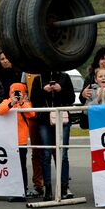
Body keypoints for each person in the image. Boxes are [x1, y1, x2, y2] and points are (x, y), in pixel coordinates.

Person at [30, 71, 76, 201]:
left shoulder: (65, 77)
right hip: (44, 120)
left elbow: (71, 98)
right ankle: (48, 189)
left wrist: (60, 89)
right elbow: (34, 101)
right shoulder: (38, 79)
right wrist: (43, 90)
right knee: (46, 153)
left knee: (63, 153)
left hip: (63, 118)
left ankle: (64, 187)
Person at [0, 82, 36, 201]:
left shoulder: (26, 103)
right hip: (9, 141)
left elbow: (32, 113)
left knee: (21, 167)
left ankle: (22, 190)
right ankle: (12, 189)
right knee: (11, 167)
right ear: (10, 92)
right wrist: (12, 102)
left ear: (23, 93)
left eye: (19, 92)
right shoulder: (6, 102)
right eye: (14, 92)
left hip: (21, 141)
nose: (17, 94)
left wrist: (21, 102)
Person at [21, 72, 44, 197]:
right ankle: (38, 185)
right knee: (36, 151)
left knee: (55, 152)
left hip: (49, 113)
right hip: (33, 113)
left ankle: (62, 185)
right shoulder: (26, 71)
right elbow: (23, 89)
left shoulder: (49, 66)